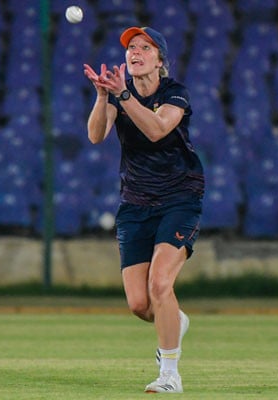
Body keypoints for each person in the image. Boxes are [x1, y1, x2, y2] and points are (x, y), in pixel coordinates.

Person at [83, 26, 204, 393]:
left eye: (144, 47)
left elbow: (157, 129)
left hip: (180, 198)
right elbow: (95, 135)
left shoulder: (174, 93)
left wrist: (123, 95)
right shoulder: (122, 93)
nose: (134, 52)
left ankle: (170, 375)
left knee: (160, 284)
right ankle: (174, 321)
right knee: (140, 304)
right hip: (135, 202)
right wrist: (104, 97)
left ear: (159, 60)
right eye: (130, 48)